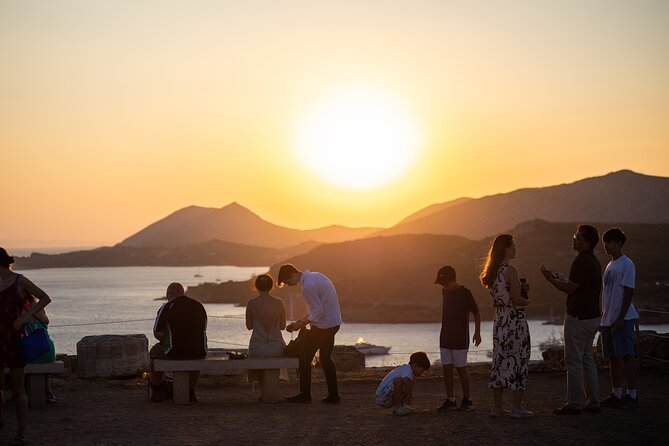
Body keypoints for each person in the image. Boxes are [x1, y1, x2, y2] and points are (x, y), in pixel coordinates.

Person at [541, 224, 602, 415]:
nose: (574, 239)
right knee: (586, 360)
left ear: (587, 242)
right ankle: (593, 401)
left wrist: (550, 280)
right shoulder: (593, 261)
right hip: (592, 317)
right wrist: (558, 278)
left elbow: (569, 288)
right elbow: (574, 284)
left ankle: (574, 403)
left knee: (573, 361)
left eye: (577, 237)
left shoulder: (581, 261)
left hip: (578, 317)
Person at [0, 247, 52, 446]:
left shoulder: (19, 281)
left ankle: (21, 433)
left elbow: (45, 298)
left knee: (18, 388)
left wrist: (25, 317)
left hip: (14, 339)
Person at [479, 234, 533, 418]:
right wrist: (527, 299)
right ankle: (517, 407)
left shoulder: (492, 273)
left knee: (500, 361)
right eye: (513, 246)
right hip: (514, 321)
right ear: (506, 249)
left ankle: (497, 406)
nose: (515, 249)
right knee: (519, 360)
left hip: (500, 321)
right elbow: (517, 299)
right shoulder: (511, 271)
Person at [278, 263, 342, 404]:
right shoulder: (316, 276)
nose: (290, 285)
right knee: (325, 358)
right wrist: (301, 321)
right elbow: (317, 309)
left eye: (288, 282)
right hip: (333, 323)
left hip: (323, 327)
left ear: (292, 275)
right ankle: (334, 396)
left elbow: (318, 311)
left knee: (304, 357)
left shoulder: (308, 286)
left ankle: (305, 395)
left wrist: (301, 324)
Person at [599, 227, 639, 409]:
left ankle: (632, 395)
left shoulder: (626, 264)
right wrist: (604, 313)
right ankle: (616, 393)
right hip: (607, 319)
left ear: (619, 243)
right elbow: (608, 293)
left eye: (610, 242)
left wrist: (621, 317)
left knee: (627, 356)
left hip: (623, 318)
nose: (606, 245)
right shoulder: (610, 264)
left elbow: (629, 292)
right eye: (604, 242)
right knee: (613, 357)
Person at [149, 282, 207, 403]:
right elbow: (203, 330)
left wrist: (166, 340)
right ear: (183, 293)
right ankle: (191, 392)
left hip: (174, 351)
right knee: (195, 357)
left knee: (154, 353)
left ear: (169, 294)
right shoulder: (199, 306)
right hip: (199, 350)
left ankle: (157, 389)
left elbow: (157, 332)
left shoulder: (167, 307)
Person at [434, 265, 481, 412]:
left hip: (460, 338)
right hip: (445, 337)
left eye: (445, 283)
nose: (444, 286)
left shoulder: (465, 293)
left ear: (452, 279)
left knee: (461, 369)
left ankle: (468, 400)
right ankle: (451, 399)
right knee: (446, 369)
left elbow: (476, 312)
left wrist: (477, 333)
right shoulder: (444, 292)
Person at [245, 274, 286, 395]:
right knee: (273, 361)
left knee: (257, 357)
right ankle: (270, 393)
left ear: (256, 286)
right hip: (276, 348)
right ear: (271, 286)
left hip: (257, 348)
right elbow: (283, 326)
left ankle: (265, 393)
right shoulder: (279, 303)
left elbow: (249, 326)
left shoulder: (251, 303)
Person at [375, 351, 430, 416]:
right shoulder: (407, 369)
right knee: (398, 380)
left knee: (410, 381)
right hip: (382, 398)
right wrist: (410, 394)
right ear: (415, 365)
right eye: (422, 370)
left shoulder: (408, 372)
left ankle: (401, 405)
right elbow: (406, 380)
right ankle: (397, 407)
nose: (421, 373)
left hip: (386, 398)